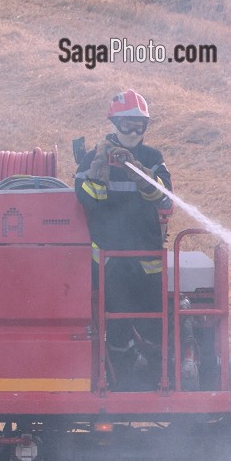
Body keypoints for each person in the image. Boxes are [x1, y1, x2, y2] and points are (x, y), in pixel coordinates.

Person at [75, 89, 172, 391]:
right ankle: (122, 380)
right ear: (114, 122)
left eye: (139, 125)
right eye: (127, 124)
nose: (133, 131)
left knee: (156, 326)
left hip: (147, 262)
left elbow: (164, 198)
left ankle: (156, 378)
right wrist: (97, 174)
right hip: (109, 262)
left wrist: (143, 176)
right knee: (116, 326)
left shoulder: (153, 159)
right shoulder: (93, 158)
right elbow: (89, 202)